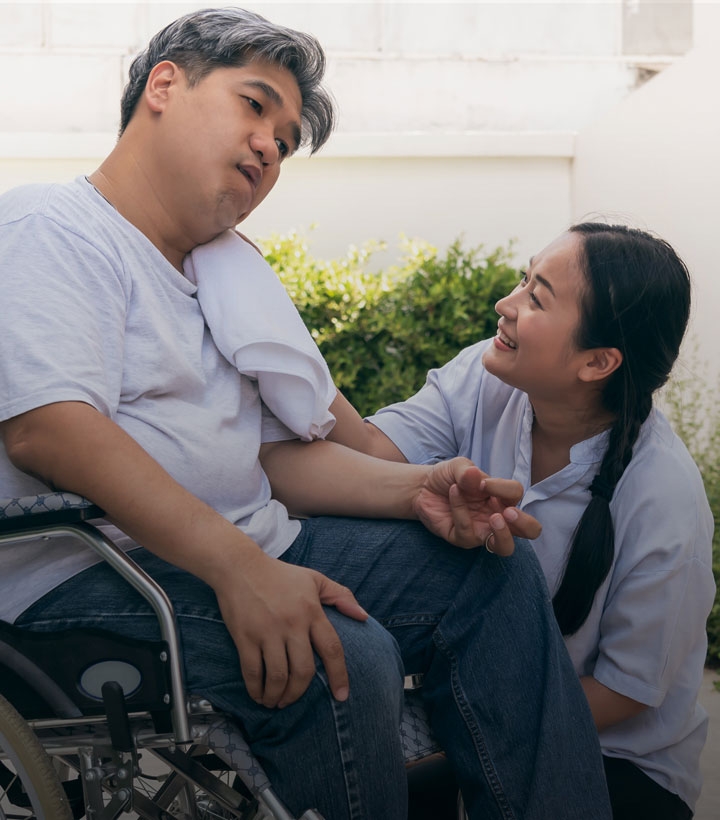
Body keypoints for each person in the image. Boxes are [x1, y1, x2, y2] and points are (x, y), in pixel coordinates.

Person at [0, 8, 613, 819]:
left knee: (488, 574)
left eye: (286, 141)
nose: (270, 146)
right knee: (337, 656)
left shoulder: (211, 275)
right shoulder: (52, 228)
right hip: (89, 578)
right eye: (255, 106)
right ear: (164, 83)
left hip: (238, 542)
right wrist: (244, 571)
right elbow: (50, 431)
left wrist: (419, 487)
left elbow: (271, 461)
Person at [329, 223, 716, 819]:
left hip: (617, 766)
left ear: (598, 362)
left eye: (536, 298)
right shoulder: (484, 381)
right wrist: (275, 340)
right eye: (522, 279)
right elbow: (367, 456)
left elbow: (626, 692)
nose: (504, 306)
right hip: (482, 718)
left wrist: (473, 723)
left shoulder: (663, 498)